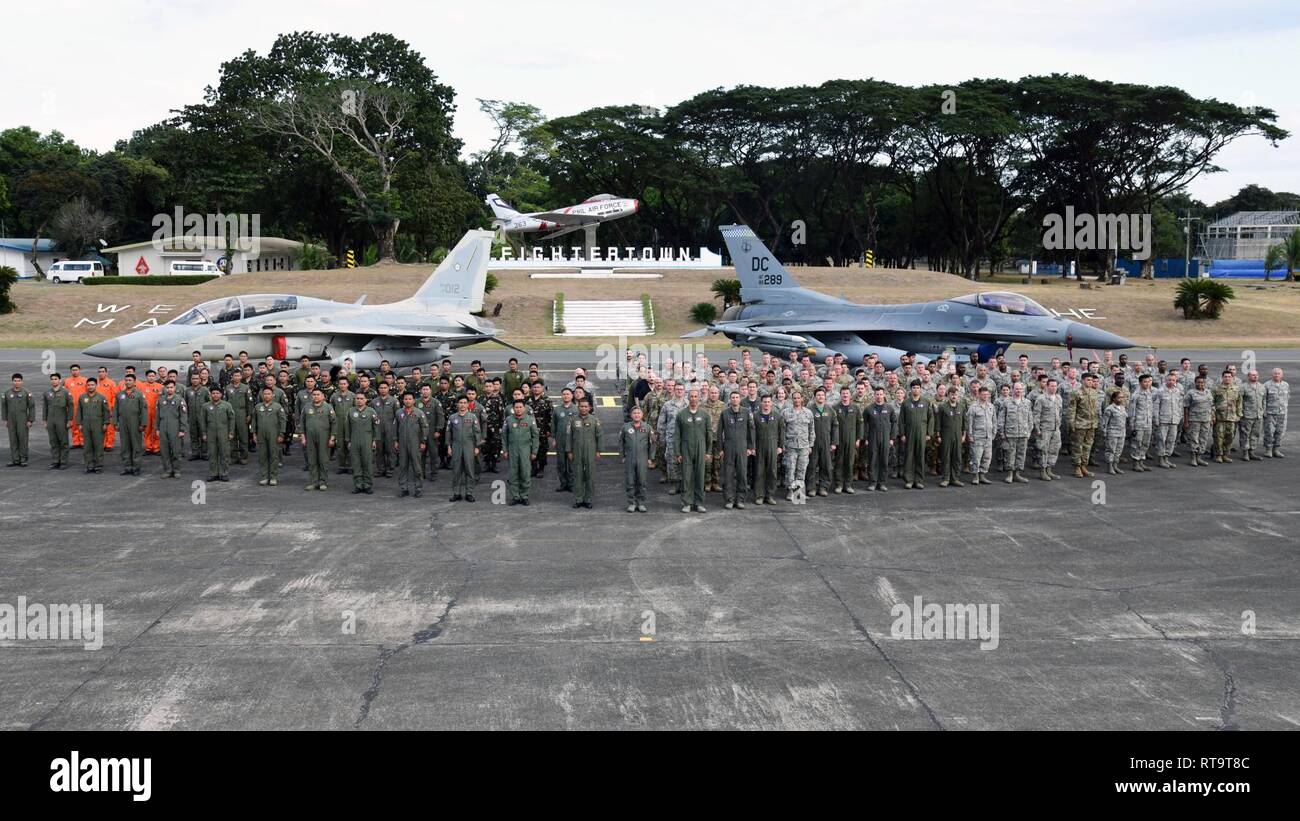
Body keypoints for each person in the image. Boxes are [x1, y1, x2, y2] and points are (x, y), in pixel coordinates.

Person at [717, 389, 755, 509]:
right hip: (728, 446)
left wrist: (750, 447)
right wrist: (720, 448)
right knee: (728, 474)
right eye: (732, 397)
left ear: (740, 399)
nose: (734, 399)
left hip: (742, 447)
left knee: (742, 474)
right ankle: (729, 499)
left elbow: (751, 430)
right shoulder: (724, 413)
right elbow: (719, 432)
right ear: (730, 399)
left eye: (736, 397)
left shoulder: (746, 412)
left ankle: (740, 499)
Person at [502, 399, 540, 505]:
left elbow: (535, 436)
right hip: (512, 450)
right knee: (513, 474)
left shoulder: (530, 420)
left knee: (525, 473)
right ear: (513, 409)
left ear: (524, 408)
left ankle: (524, 496)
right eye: (516, 407)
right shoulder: (508, 420)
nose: (518, 409)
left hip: (525, 450)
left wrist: (534, 451)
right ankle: (515, 496)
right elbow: (504, 436)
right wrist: (504, 450)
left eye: (520, 407)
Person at [300, 388, 336, 491]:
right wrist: (302, 436)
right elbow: (302, 423)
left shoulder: (328, 407)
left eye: (318, 394)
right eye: (314, 394)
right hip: (310, 437)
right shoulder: (307, 407)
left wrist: (332, 438)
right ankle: (313, 482)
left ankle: (323, 481)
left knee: (323, 459)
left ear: (323, 396)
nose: (316, 396)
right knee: (312, 459)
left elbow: (334, 423)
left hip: (324, 437)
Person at [619, 404, 654, 512]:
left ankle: (641, 502)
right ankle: (632, 503)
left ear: (642, 414)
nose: (636, 415)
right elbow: (621, 443)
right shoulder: (625, 427)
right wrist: (623, 455)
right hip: (630, 457)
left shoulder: (647, 428)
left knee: (642, 481)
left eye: (638, 413)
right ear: (631, 415)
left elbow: (652, 444)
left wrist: (650, 458)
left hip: (643, 458)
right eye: (634, 413)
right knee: (630, 480)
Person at [447, 396, 482, 502]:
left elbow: (477, 433)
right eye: (460, 402)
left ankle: (469, 493)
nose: (462, 405)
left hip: (469, 446)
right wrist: (449, 446)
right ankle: (456, 493)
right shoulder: (452, 417)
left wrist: (477, 447)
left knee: (470, 470)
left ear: (468, 404)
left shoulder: (472, 417)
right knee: (456, 470)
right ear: (457, 404)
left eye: (464, 402)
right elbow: (448, 433)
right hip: (456, 446)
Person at [568, 397, 601, 509]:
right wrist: (569, 451)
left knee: (590, 475)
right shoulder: (572, 420)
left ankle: (588, 499)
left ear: (590, 407)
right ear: (578, 407)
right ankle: (578, 499)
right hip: (577, 450)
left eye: (586, 406)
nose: (583, 408)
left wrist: (598, 451)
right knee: (577, 475)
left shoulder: (594, 420)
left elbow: (599, 436)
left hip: (590, 450)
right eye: (581, 406)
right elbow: (569, 437)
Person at [751, 394, 785, 504]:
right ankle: (759, 495)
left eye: (768, 402)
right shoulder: (755, 416)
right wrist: (752, 447)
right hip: (759, 446)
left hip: (773, 447)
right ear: (761, 403)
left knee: (772, 471)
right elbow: (751, 432)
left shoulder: (777, 416)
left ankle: (769, 495)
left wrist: (780, 446)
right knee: (759, 471)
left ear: (771, 403)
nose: (766, 404)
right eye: (764, 402)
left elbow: (782, 432)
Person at [1067, 373, 1102, 478]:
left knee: (1088, 446)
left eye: (1091, 380)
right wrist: (1071, 423)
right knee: (1077, 447)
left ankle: (1084, 466)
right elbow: (1072, 409)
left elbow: (1096, 409)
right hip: (1080, 424)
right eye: (1088, 380)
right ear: (1082, 380)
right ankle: (1077, 467)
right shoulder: (1076, 393)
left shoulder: (1094, 392)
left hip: (1091, 424)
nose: (1090, 382)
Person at [996, 382, 1032, 484]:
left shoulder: (1027, 403)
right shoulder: (1006, 402)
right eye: (1016, 389)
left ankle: (1017, 474)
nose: (1018, 391)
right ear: (1012, 390)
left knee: (1021, 454)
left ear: (1023, 390)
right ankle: (1010, 474)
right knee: (1010, 454)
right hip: (1010, 433)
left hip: (1023, 433)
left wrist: (1029, 431)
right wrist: (1002, 432)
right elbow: (1001, 418)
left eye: (1020, 389)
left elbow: (1030, 418)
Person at [900, 381, 933, 489]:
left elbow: (931, 418)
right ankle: (909, 480)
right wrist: (903, 434)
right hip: (909, 433)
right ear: (911, 389)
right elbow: (901, 420)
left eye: (918, 387)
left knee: (920, 456)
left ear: (920, 389)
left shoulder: (926, 402)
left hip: (922, 433)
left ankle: (918, 480)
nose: (916, 389)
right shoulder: (905, 403)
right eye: (913, 387)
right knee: (909, 456)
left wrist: (929, 433)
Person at [252, 386, 287, 486]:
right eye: (265, 394)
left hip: (274, 435)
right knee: (262, 456)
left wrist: (281, 434)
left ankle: (273, 477)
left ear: (272, 395)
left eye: (268, 394)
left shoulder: (277, 407)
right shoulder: (258, 407)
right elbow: (254, 421)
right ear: (262, 395)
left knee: (273, 456)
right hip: (261, 435)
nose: (266, 395)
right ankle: (264, 476)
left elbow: (282, 421)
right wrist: (254, 433)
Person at [395, 392, 428, 498]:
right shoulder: (399, 413)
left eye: (410, 399)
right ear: (403, 401)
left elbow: (425, 427)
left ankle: (418, 488)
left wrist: (423, 441)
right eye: (406, 399)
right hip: (403, 444)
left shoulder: (419, 413)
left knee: (417, 467)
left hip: (415, 443)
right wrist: (395, 440)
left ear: (414, 401)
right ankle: (404, 488)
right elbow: (395, 428)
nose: (408, 401)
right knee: (403, 467)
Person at [114, 374, 148, 476]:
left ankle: (136, 467)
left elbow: (144, 410)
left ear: (134, 382)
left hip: (135, 422)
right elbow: (115, 409)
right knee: (125, 445)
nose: (128, 382)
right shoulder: (120, 395)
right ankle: (127, 466)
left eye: (130, 380)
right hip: (123, 422)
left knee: (136, 445)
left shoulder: (139, 395)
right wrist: (115, 422)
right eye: (126, 380)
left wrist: (143, 423)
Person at [345, 392, 379, 495]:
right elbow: (347, 427)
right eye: (357, 398)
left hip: (367, 439)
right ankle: (358, 485)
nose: (359, 400)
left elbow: (376, 427)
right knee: (356, 463)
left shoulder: (371, 411)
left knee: (367, 463)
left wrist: (374, 440)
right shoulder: (350, 411)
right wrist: (348, 441)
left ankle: (368, 485)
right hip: (354, 439)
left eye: (361, 398)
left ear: (365, 400)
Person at [783, 390, 814, 500]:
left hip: (804, 446)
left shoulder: (808, 413)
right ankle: (790, 491)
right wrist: (783, 445)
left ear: (802, 399)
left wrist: (811, 445)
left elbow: (811, 430)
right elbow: (782, 430)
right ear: (792, 400)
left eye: (798, 398)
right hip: (790, 446)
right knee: (790, 469)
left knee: (801, 470)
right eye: (794, 398)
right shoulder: (786, 412)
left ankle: (798, 493)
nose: (796, 400)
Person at [864, 388, 897, 491]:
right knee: (873, 460)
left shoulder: (889, 408)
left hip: (886, 438)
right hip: (873, 437)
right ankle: (872, 483)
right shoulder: (869, 409)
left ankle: (882, 483)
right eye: (877, 394)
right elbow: (864, 424)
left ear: (884, 395)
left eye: (881, 394)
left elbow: (894, 423)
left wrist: (892, 438)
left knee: (884, 460)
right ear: (874, 395)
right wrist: (866, 438)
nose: (879, 396)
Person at [807, 388, 837, 496]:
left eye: (822, 395)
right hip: (813, 443)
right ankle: (811, 488)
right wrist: (807, 444)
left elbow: (835, 426)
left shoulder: (830, 410)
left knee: (826, 465)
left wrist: (834, 442)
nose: (820, 397)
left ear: (825, 397)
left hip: (826, 442)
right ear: (815, 397)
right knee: (811, 465)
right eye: (818, 395)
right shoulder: (809, 410)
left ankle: (823, 487)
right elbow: (806, 427)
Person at [832, 387, 863, 493]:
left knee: (850, 462)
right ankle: (839, 484)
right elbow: (832, 426)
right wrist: (833, 441)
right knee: (839, 462)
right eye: (843, 393)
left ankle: (848, 484)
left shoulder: (855, 408)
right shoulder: (835, 408)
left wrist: (858, 439)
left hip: (851, 438)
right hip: (839, 439)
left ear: (850, 395)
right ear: (840, 395)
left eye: (847, 393)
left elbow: (860, 424)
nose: (845, 395)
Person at [77, 377, 110, 472]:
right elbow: (79, 411)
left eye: (92, 385)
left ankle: (98, 465)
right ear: (86, 386)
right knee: (87, 445)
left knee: (98, 445)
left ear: (96, 385)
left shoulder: (101, 397)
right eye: (88, 385)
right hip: (86, 424)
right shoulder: (82, 397)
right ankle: (89, 465)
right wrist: (79, 423)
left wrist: (105, 423)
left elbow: (106, 411)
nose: (90, 387)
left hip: (98, 424)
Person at [1031, 379, 1062, 480]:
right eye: (1051, 386)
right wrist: (1037, 429)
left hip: (1055, 429)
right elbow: (1036, 415)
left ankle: (1049, 469)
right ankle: (1043, 471)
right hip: (1044, 429)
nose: (1054, 388)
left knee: (1054, 449)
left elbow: (1060, 413)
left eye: (1055, 386)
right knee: (1043, 450)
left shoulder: (1058, 398)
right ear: (1047, 386)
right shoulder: (1041, 398)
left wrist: (1058, 425)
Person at [935, 388, 966, 487]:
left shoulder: (961, 407)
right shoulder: (942, 407)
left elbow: (964, 423)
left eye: (955, 394)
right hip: (946, 435)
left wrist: (964, 435)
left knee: (957, 457)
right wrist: (938, 435)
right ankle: (946, 478)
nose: (954, 396)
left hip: (957, 435)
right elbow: (938, 422)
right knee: (946, 457)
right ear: (948, 395)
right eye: (952, 394)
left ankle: (955, 478)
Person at [42, 373, 74, 469]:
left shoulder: (65, 392)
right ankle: (56, 461)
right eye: (52, 379)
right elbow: (45, 407)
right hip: (50, 420)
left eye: (56, 379)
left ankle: (63, 461)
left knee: (63, 441)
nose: (54, 381)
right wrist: (45, 420)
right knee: (53, 441)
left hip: (62, 419)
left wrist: (69, 419)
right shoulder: (47, 393)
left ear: (60, 380)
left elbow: (71, 406)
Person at [156, 380, 187, 478]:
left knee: (176, 450)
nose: (169, 389)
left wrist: (182, 429)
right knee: (164, 450)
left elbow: (183, 415)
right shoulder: (160, 400)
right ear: (165, 388)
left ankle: (177, 470)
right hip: (163, 426)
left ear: (175, 388)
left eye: (171, 387)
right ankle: (168, 470)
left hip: (175, 426)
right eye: (167, 387)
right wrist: (157, 428)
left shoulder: (179, 400)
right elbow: (157, 415)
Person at [1211, 369, 1243, 463]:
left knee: (1229, 437)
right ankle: (1218, 455)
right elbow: (1211, 403)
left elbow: (1239, 402)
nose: (1227, 378)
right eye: (1225, 377)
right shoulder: (1216, 388)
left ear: (1232, 378)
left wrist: (1239, 415)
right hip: (1220, 417)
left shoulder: (1236, 389)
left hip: (1232, 417)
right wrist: (1213, 415)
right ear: (1222, 378)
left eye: (1229, 377)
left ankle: (1225, 454)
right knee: (1218, 437)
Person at [3, 373, 35, 467]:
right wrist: (5, 419)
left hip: (23, 418)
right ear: (12, 381)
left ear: (22, 381)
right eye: (15, 381)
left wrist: (30, 420)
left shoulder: (26, 393)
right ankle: (15, 459)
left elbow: (31, 407)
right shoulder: (7, 393)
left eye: (19, 381)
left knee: (22, 438)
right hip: (11, 419)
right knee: (13, 439)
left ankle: (23, 458)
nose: (17, 383)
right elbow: (4, 407)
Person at [966, 387, 996, 485]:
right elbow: (969, 422)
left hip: (988, 437)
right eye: (983, 394)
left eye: (987, 394)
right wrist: (970, 435)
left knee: (987, 457)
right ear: (979, 394)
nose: (985, 396)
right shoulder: (973, 407)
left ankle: (983, 475)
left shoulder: (991, 406)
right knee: (976, 457)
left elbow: (994, 421)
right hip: (977, 436)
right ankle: (975, 476)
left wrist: (994, 432)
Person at [1183, 375, 1214, 467]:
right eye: (1199, 382)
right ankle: (1193, 458)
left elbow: (1211, 405)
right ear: (1195, 383)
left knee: (1203, 439)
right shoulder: (1190, 393)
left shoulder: (1208, 392)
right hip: (1194, 419)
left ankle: (1199, 457)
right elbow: (1186, 407)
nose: (1201, 384)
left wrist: (1212, 417)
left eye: (1202, 382)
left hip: (1206, 419)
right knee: (1194, 438)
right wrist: (1186, 421)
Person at [552, 387, 577, 492]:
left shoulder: (576, 409)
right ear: (561, 396)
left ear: (572, 396)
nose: (566, 396)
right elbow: (554, 424)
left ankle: (571, 484)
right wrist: (554, 438)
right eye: (564, 394)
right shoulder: (557, 409)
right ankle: (563, 483)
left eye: (568, 394)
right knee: (561, 463)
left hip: (572, 440)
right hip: (560, 439)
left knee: (571, 462)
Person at [1262, 368, 1289, 458]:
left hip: (1282, 413)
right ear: (1272, 375)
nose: (1276, 375)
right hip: (1270, 413)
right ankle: (1268, 450)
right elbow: (1263, 399)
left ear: (1282, 375)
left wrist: (1285, 409)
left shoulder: (1286, 385)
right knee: (1269, 432)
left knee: (1280, 432)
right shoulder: (1267, 385)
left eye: (1278, 373)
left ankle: (1276, 449)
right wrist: (1264, 411)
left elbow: (1287, 397)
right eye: (1275, 373)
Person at [1100, 391, 1129, 475]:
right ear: (1114, 398)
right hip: (1112, 432)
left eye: (1122, 397)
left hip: (1121, 432)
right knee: (1111, 450)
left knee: (1118, 450)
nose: (1121, 399)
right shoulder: (1109, 409)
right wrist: (1104, 433)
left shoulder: (1123, 408)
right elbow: (1105, 422)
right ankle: (1110, 467)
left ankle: (1115, 465)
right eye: (1119, 397)